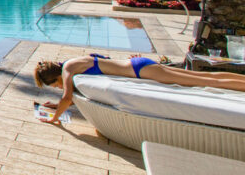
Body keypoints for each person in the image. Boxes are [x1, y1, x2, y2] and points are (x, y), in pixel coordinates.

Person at [35, 54, 245, 124]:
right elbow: (65, 100)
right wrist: (56, 106)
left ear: (55, 77)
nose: (57, 86)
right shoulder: (72, 62)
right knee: (205, 77)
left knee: (205, 81)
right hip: (139, 65)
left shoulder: (68, 70)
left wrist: (54, 119)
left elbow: (67, 96)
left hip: (141, 72)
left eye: (54, 84)